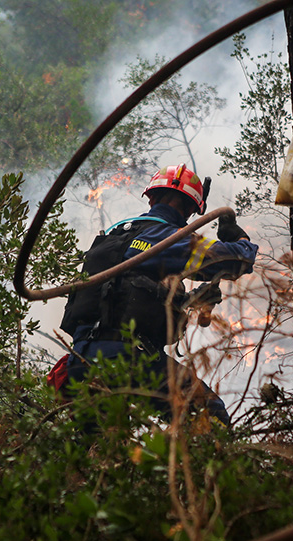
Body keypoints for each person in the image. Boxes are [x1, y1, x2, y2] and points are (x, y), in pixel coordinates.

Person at [56, 164, 258, 430]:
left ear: (150, 197)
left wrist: (193, 298)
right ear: (191, 210)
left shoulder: (115, 236)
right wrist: (238, 236)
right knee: (210, 419)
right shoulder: (167, 238)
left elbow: (124, 297)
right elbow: (239, 260)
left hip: (80, 362)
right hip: (129, 360)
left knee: (98, 453)